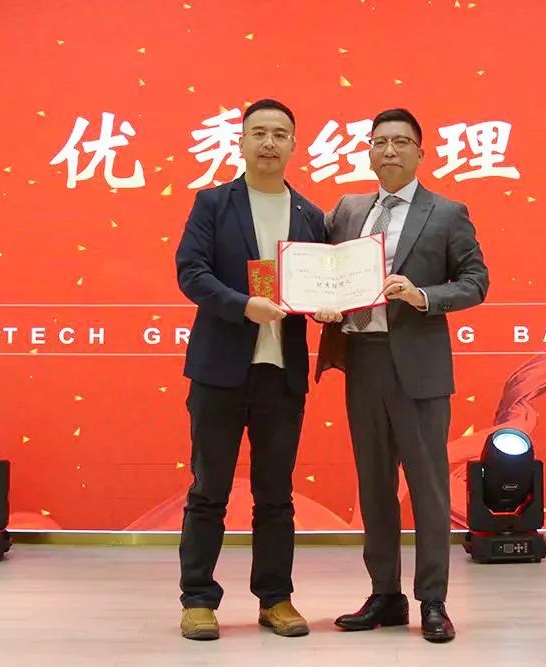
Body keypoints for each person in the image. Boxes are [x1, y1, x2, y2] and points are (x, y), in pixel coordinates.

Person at [315, 108, 489, 643]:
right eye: (379, 142)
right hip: (362, 359)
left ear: (419, 152)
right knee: (374, 486)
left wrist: (422, 296)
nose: (389, 151)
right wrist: (320, 303)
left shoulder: (447, 213)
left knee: (428, 487)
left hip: (418, 367)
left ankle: (432, 600)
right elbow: (320, 271)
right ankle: (384, 595)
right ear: (369, 152)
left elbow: (476, 281)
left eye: (400, 142)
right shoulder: (346, 211)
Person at [175, 98, 325, 640]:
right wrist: (243, 305)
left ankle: (275, 598)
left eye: (279, 134)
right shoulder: (213, 203)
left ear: (293, 145)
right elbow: (191, 272)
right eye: (258, 132)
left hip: (281, 375)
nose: (268, 142)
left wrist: (331, 305)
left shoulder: (311, 216)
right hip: (220, 371)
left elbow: (324, 281)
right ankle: (198, 600)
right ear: (240, 142)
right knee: (208, 491)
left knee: (276, 496)